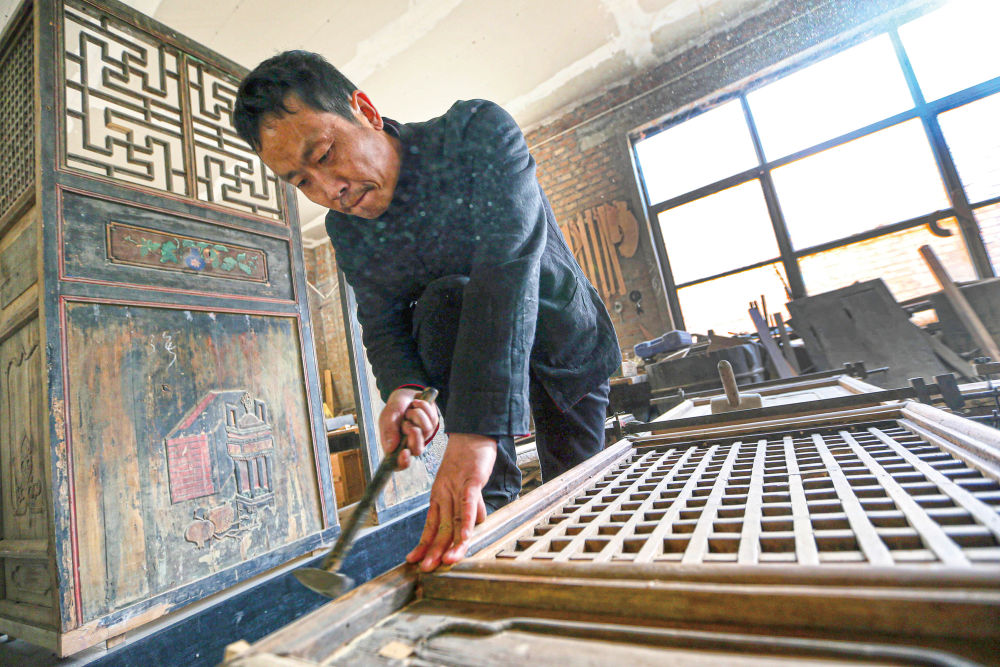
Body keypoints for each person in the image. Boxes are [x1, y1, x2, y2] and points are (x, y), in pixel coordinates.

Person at [234, 51, 620, 572]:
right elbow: (383, 320)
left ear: (366, 110)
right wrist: (404, 387)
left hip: (559, 339)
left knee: (580, 498)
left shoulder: (474, 135)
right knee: (482, 506)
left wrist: (475, 431)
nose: (329, 191)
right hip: (469, 360)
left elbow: (505, 275)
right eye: (302, 182)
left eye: (324, 154)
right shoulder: (347, 229)